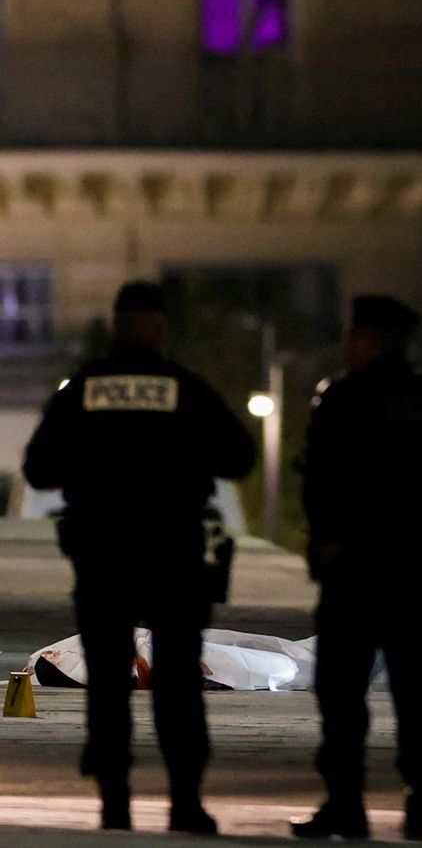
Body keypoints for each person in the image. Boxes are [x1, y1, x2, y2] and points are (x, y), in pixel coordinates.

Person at [23, 280, 256, 833]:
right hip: (172, 558)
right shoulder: (184, 389)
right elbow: (238, 456)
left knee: (107, 685)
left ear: (116, 325)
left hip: (103, 557)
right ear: (158, 328)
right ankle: (185, 803)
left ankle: (115, 803)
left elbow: (39, 468)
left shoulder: (84, 391)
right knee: (178, 685)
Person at [293, 295, 422, 842]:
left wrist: (325, 540)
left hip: (353, 567)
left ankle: (345, 802)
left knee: (341, 689)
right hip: (414, 563)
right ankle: (419, 798)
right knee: (415, 686)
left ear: (368, 339)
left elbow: (317, 481)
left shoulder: (341, 399)